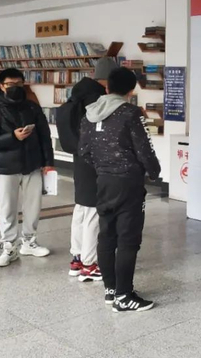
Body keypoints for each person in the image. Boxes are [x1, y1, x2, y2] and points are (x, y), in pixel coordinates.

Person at [79, 67, 160, 312]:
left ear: (107, 87)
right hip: (129, 183)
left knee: (106, 235)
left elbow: (84, 151)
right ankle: (124, 297)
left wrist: (103, 167)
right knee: (128, 238)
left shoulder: (89, 114)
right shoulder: (130, 113)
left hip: (103, 181)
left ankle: (111, 290)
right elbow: (144, 149)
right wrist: (154, 172)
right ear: (131, 90)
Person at [0, 68, 55, 267]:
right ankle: (9, 246)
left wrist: (48, 163)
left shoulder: (33, 108)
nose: (15, 88)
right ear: (2, 86)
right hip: (6, 167)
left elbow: (45, 137)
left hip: (33, 164)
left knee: (33, 206)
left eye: (19, 84)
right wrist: (13, 137)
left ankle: (29, 242)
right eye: (10, 84)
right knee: (7, 208)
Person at [57, 57, 118, 282]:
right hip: (94, 160)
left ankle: (77, 258)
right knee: (94, 212)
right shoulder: (97, 99)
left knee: (82, 209)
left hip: (79, 159)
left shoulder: (77, 95)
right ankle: (90, 264)